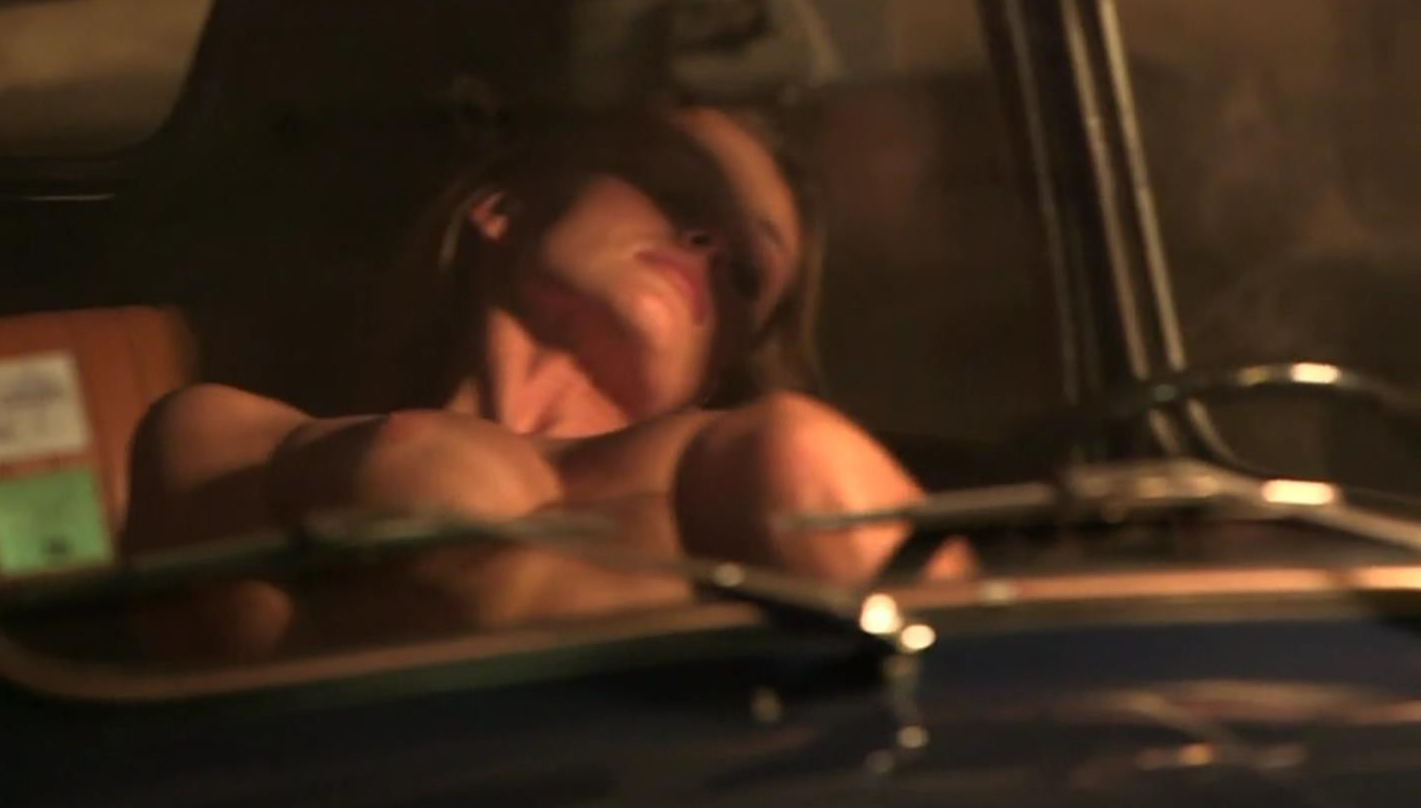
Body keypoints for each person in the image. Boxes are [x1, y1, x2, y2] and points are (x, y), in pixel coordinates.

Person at [123, 105, 968, 657]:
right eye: (673, 189)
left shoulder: (752, 455)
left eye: (747, 271)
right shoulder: (229, 437)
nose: (709, 244)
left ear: (719, 365)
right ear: (503, 209)